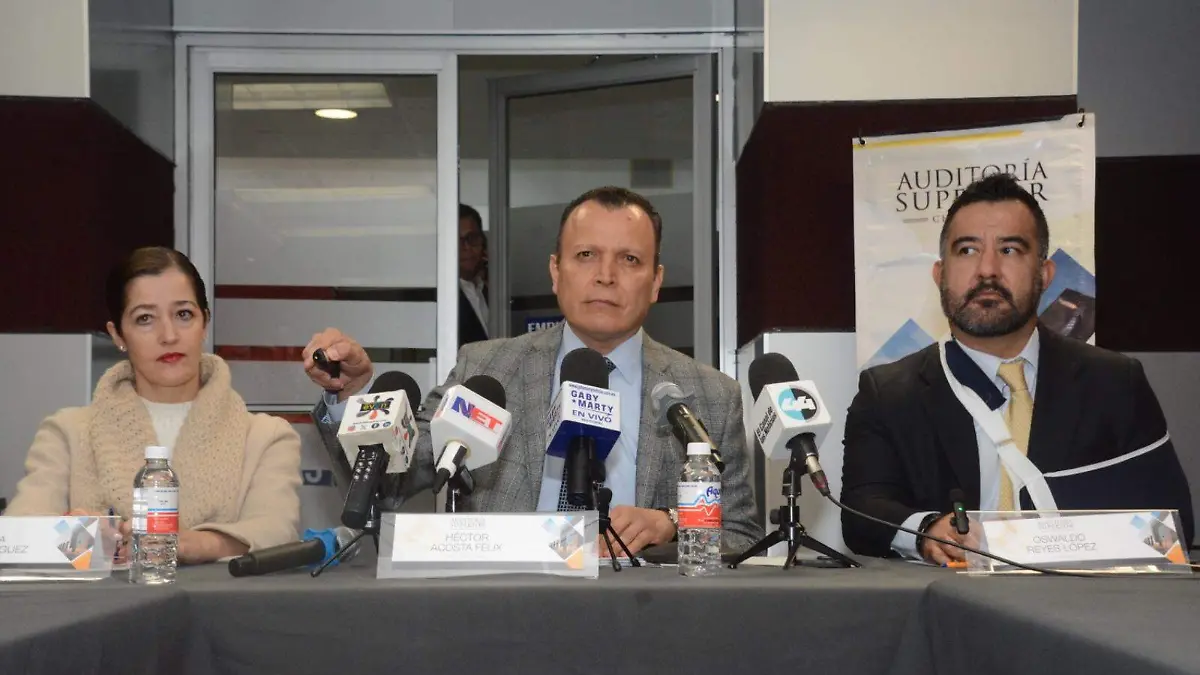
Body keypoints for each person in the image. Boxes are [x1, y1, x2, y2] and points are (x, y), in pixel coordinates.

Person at [304, 186, 763, 554]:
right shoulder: (486, 370)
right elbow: (392, 483)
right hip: (505, 609)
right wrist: (351, 398)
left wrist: (672, 521)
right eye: (586, 255)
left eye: (629, 259)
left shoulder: (709, 395)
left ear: (656, 281)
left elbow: (741, 535)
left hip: (640, 616)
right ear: (555, 272)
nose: (606, 275)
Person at [840, 174, 1193, 563]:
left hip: (1080, 597)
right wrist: (926, 530)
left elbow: (1171, 529)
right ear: (940, 275)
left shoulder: (1115, 383)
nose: (987, 270)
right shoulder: (889, 393)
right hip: (951, 597)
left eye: (1009, 250)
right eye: (967, 250)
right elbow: (861, 511)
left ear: (1045, 275)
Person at [6, 247, 302, 563]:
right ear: (118, 335)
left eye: (183, 314)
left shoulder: (266, 437)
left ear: (205, 323)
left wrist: (191, 544)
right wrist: (88, 540)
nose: (169, 335)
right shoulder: (67, 433)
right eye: (145, 318)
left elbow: (277, 532)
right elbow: (15, 538)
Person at [459, 203, 490, 345]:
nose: (466, 247)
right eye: (458, 241)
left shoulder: (491, 292)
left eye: (472, 238)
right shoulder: (440, 298)